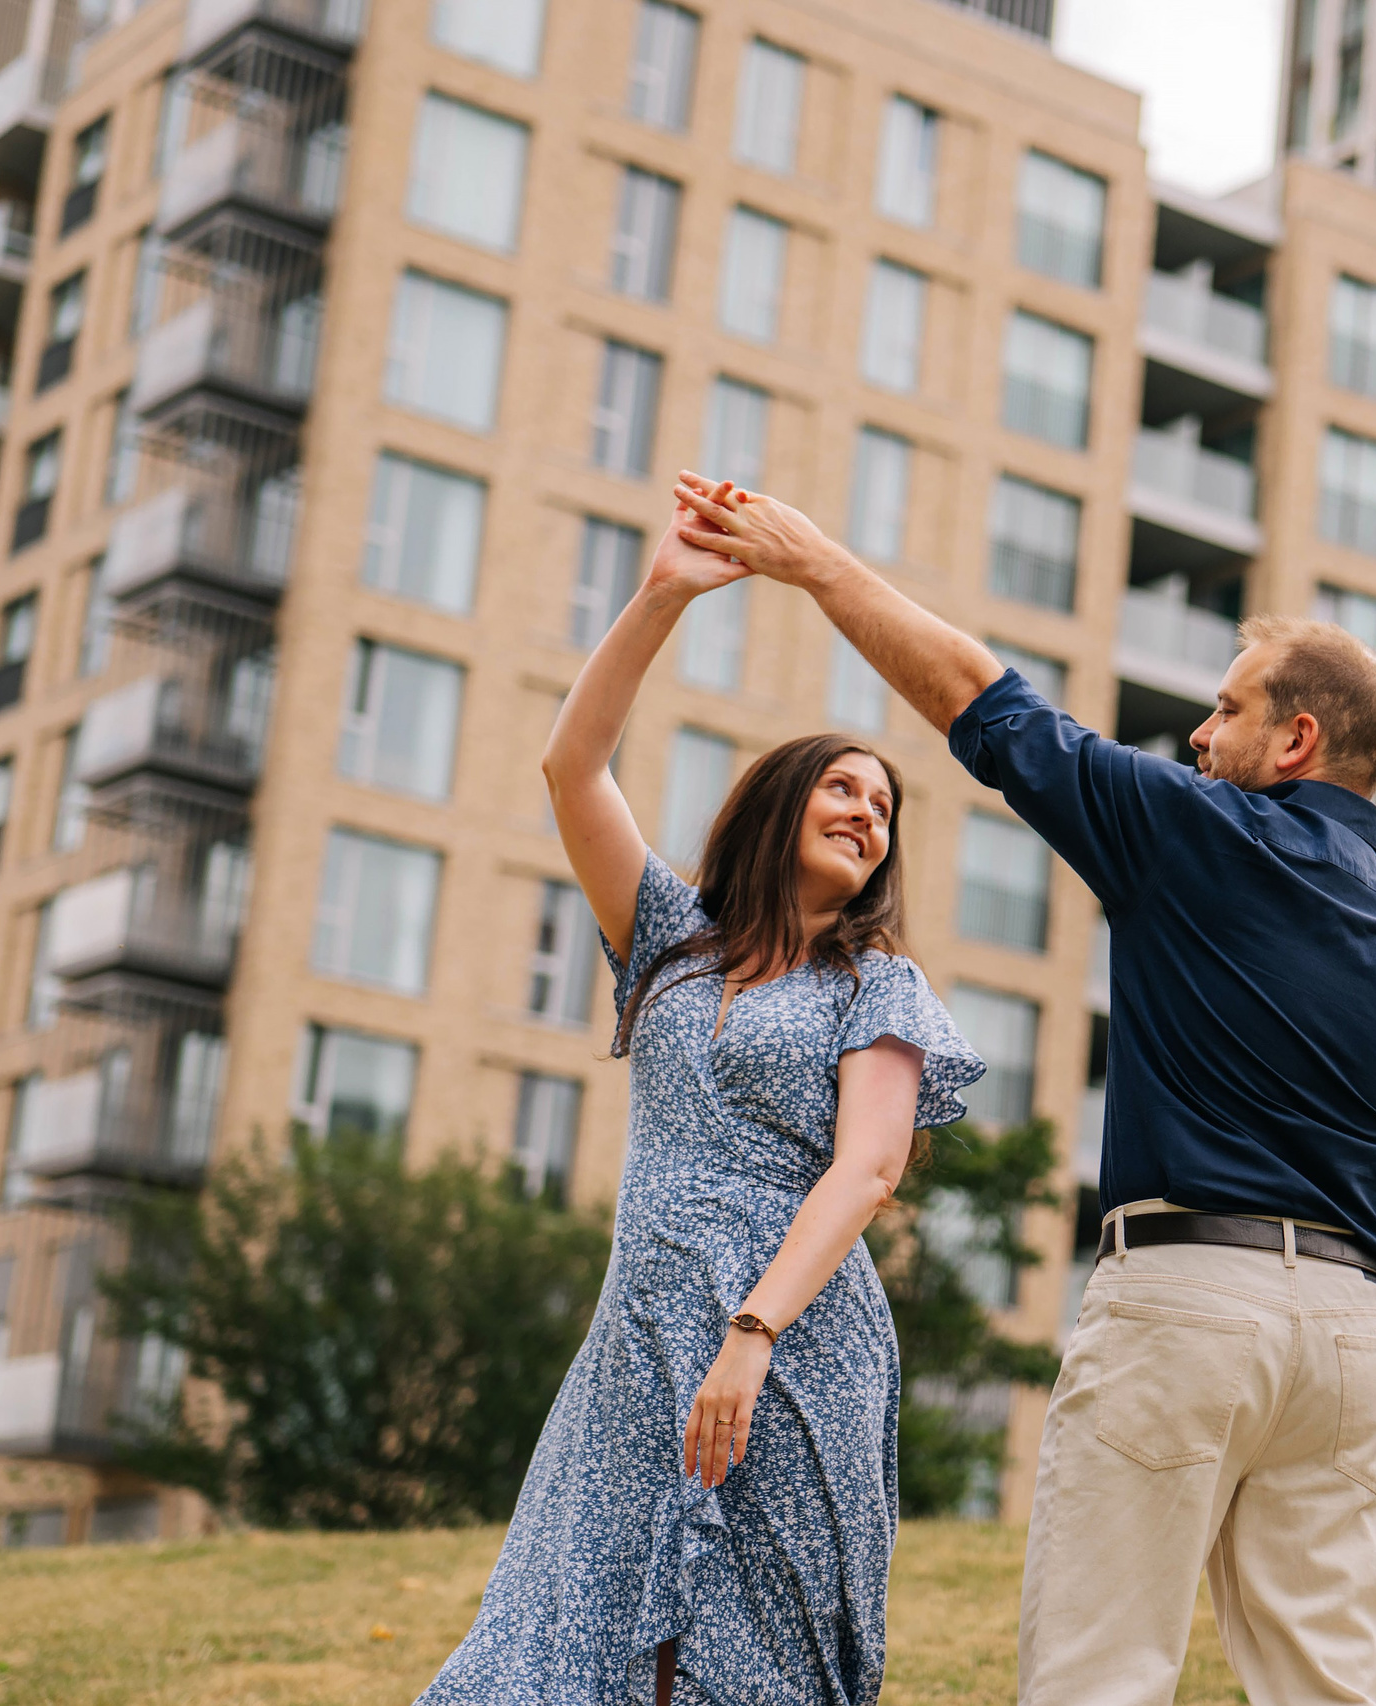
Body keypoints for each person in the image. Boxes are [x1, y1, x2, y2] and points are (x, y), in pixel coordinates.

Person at [670, 471, 1376, 1706]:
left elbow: (981, 704)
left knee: (1096, 1675)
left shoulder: (1193, 829)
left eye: (1226, 711)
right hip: (1354, 1343)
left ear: (1295, 739)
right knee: (1331, 1687)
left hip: (1183, 1305)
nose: (1200, 738)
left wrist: (812, 561)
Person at [415, 492, 983, 1706]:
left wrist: (753, 1333)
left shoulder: (877, 981)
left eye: (884, 808)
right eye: (844, 788)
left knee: (743, 1653)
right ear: (778, 807)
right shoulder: (670, 940)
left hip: (794, 1336)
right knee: (571, 1632)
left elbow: (867, 1170)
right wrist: (663, 592)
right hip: (639, 1327)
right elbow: (573, 765)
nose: (868, 815)